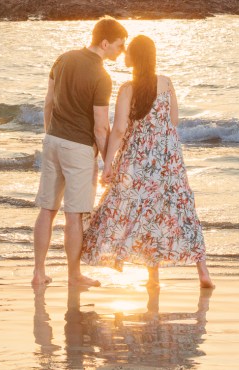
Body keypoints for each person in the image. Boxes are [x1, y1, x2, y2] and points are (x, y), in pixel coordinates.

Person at [81, 34, 214, 289]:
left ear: (136, 58)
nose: (125, 54)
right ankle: (203, 273)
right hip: (169, 160)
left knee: (133, 209)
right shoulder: (166, 83)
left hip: (138, 159)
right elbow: (173, 120)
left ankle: (152, 277)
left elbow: (119, 130)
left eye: (129, 51)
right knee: (180, 210)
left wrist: (107, 164)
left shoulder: (127, 89)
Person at [31, 17, 129, 288]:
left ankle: (39, 272)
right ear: (105, 42)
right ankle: (74, 275)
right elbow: (100, 127)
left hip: (52, 141)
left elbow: (48, 102)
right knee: (74, 215)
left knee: (47, 210)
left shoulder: (62, 59)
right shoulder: (101, 76)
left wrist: (49, 134)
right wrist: (107, 160)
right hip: (79, 149)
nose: (121, 52)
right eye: (119, 46)